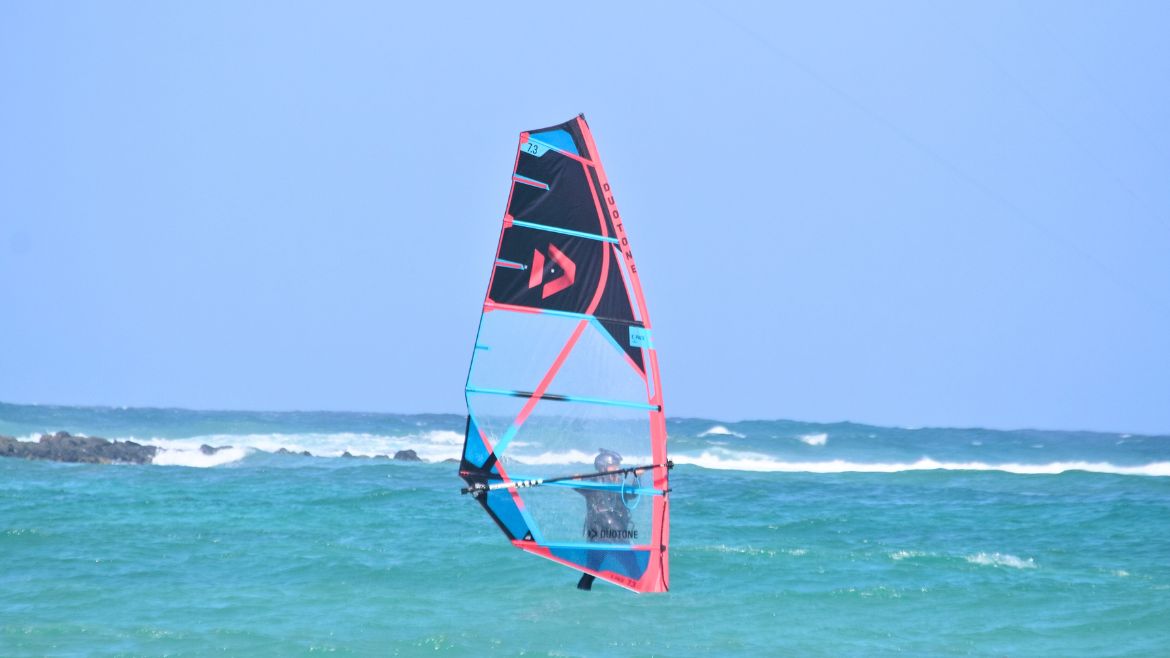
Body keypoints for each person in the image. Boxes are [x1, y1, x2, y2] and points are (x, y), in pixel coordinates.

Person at [576, 448, 638, 591]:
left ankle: (641, 590)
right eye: (614, 466)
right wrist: (577, 479)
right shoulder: (592, 484)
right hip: (601, 534)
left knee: (632, 567)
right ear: (603, 467)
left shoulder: (618, 484)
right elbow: (577, 486)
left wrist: (637, 477)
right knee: (592, 571)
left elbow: (633, 493)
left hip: (616, 532)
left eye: (617, 466)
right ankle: (581, 592)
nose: (617, 469)